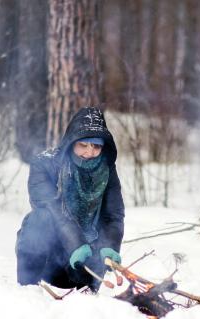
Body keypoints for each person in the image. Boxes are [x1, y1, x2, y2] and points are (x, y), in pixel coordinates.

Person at [16, 106, 125, 292]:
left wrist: (110, 245)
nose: (89, 152)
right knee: (39, 219)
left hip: (84, 259)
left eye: (96, 146)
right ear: (71, 141)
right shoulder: (45, 164)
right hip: (49, 255)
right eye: (83, 145)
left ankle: (86, 286)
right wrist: (75, 242)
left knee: (100, 242)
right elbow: (52, 207)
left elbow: (113, 214)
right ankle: (28, 290)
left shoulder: (107, 170)